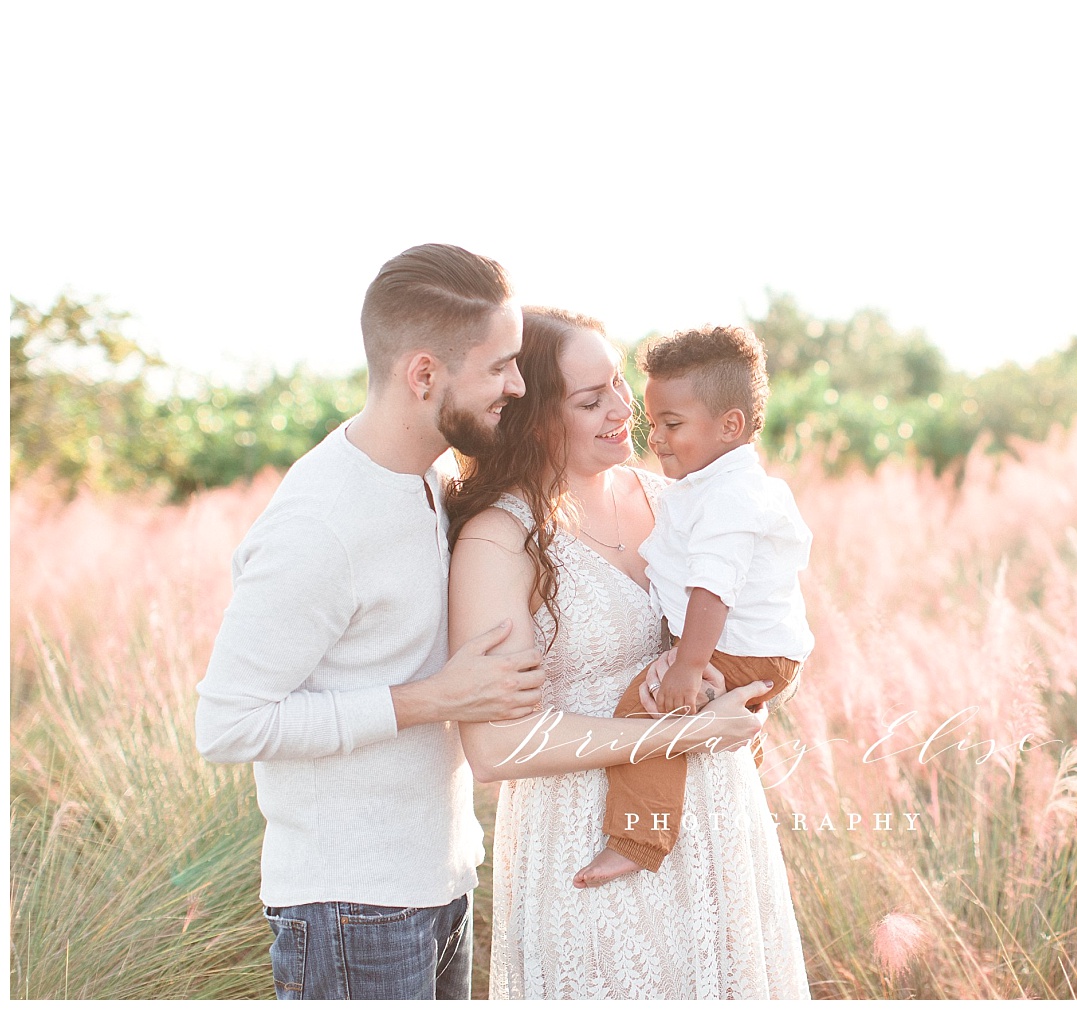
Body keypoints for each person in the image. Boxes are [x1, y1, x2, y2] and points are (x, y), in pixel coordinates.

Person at [194, 245, 765, 1000]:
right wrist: (431, 700)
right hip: (347, 902)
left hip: (439, 880)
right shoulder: (321, 521)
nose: (519, 384)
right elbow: (227, 725)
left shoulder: (426, 483)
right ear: (424, 374)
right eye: (500, 367)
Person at [445, 307, 810, 999]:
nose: (624, 410)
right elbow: (493, 749)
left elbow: (756, 617)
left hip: (718, 823)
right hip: (585, 830)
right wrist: (698, 727)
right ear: (533, 416)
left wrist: (753, 696)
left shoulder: (680, 497)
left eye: (619, 385)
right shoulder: (501, 540)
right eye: (591, 400)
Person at [574, 324, 814, 887]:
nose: (655, 437)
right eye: (653, 422)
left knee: (648, 704)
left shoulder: (728, 498)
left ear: (730, 425)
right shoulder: (716, 487)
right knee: (681, 712)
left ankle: (638, 837)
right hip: (755, 650)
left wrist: (685, 665)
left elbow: (712, 590)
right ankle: (731, 775)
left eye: (672, 425)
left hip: (737, 650)